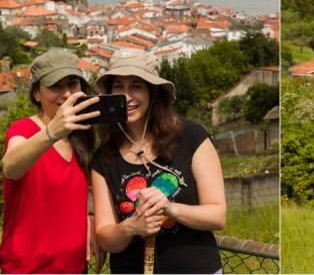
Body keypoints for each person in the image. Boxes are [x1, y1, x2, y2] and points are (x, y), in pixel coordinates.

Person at [91, 49, 226, 274]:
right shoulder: (104, 158)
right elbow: (106, 238)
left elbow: (217, 216)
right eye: (118, 87)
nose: (127, 96)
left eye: (136, 86)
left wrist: (170, 208)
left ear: (153, 92)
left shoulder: (192, 136)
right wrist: (131, 227)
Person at [0, 48, 104, 273]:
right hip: (29, 269)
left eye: (73, 84)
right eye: (56, 86)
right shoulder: (23, 130)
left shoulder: (81, 136)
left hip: (75, 267)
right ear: (37, 93)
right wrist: (51, 132)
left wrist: (91, 213)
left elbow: (82, 187)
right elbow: (11, 166)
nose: (66, 94)